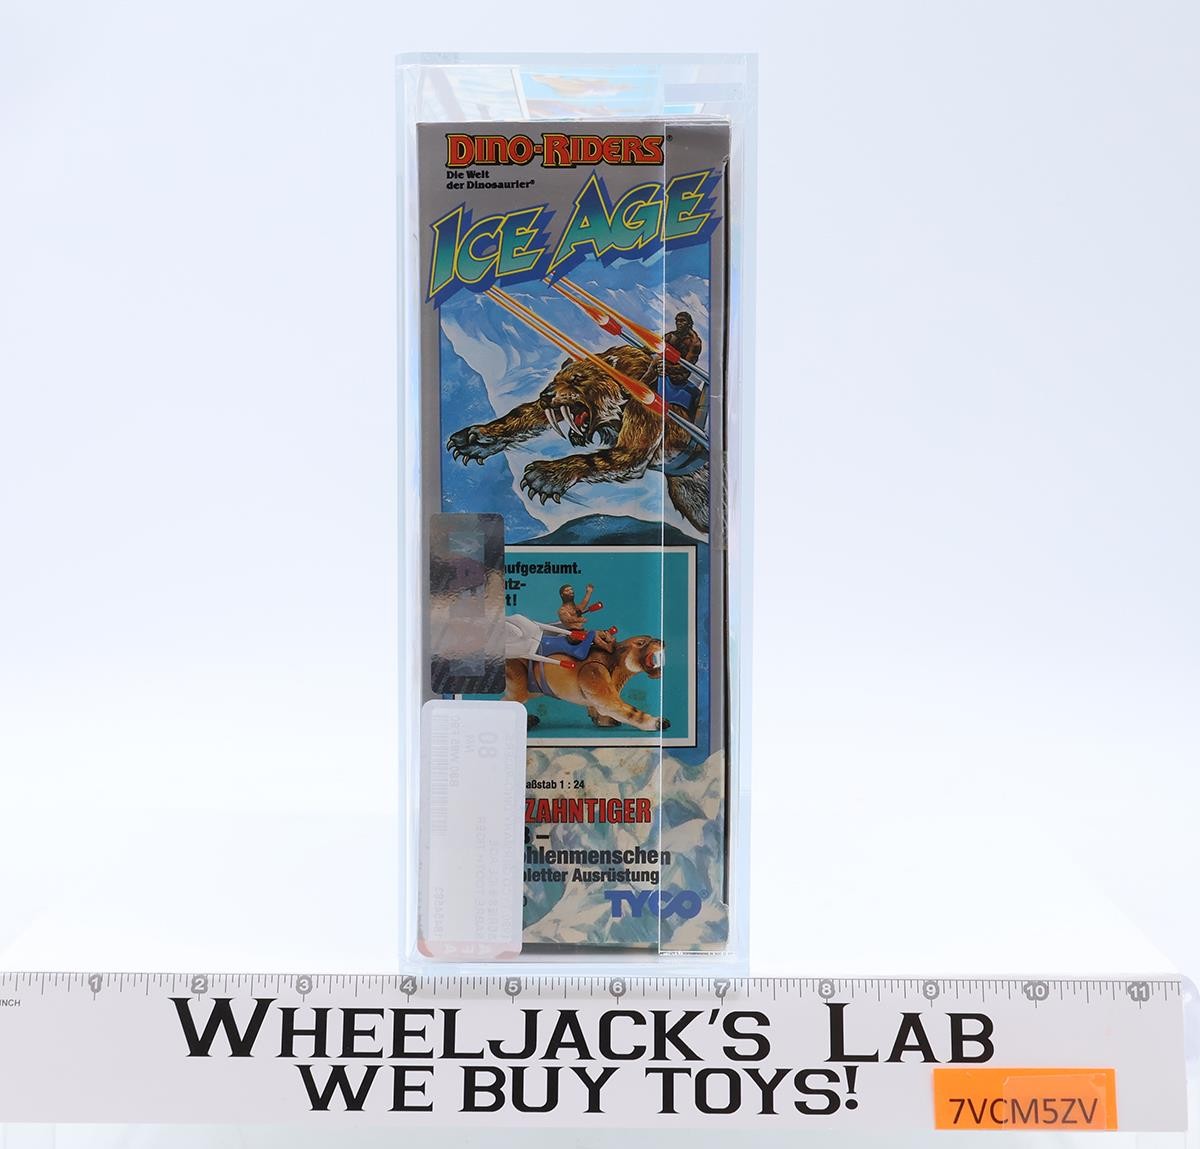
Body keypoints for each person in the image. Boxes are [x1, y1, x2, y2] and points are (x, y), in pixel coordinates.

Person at [557, 583, 613, 652]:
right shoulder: (562, 610)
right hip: (573, 635)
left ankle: (612, 642)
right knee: (593, 635)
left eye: (571, 589)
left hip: (582, 632)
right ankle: (608, 648)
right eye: (567, 590)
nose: (571, 591)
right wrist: (579, 619)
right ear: (562, 595)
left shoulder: (575, 607)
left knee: (603, 633)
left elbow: (583, 605)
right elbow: (567, 619)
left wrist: (589, 592)